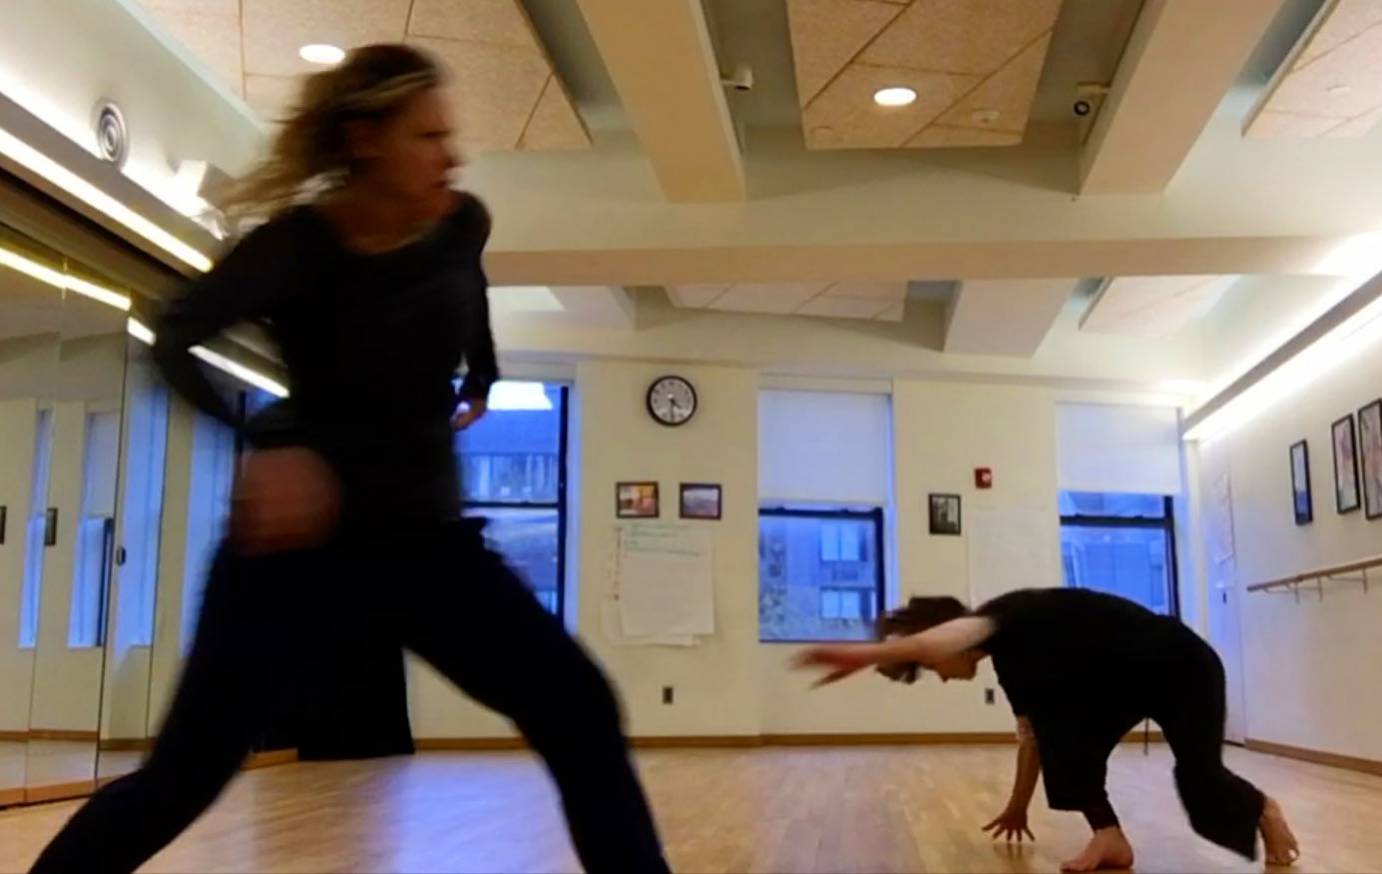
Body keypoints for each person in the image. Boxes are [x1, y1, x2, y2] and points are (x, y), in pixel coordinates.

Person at [31, 44, 668, 874]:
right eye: (428, 135)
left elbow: (466, 287)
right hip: (297, 559)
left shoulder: (459, 221)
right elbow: (176, 334)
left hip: (427, 546)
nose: (452, 154)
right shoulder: (297, 247)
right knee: (186, 777)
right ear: (366, 139)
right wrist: (264, 441)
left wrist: (484, 369)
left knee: (579, 708)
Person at [794, 588, 1300, 873]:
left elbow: (945, 639)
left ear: (945, 640)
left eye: (933, 666)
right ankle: (1110, 838)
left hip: (1180, 667)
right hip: (1123, 684)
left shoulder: (1003, 617)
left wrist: (868, 654)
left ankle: (1262, 808)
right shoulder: (1013, 667)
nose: (941, 676)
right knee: (1057, 734)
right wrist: (1017, 805)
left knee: (1202, 789)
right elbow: (1032, 739)